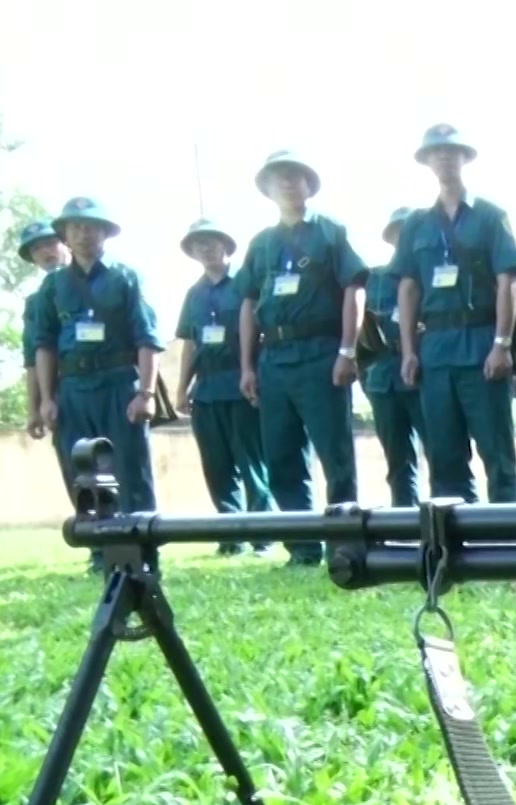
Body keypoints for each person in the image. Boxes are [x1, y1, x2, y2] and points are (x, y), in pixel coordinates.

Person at [235, 150, 366, 567]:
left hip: (321, 354)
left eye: (296, 177)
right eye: (279, 179)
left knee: (334, 453)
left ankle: (344, 542)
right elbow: (247, 304)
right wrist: (247, 366)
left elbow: (354, 290)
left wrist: (348, 349)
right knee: (282, 455)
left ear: (309, 185)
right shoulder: (261, 244)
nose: (289, 184)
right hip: (274, 358)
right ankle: (303, 547)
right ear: (268, 190)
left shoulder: (330, 233)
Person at [29, 197, 165, 571]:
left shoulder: (126, 277)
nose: (83, 235)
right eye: (74, 228)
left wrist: (146, 393)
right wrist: (46, 399)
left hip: (118, 382)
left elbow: (146, 338)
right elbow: (43, 345)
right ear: (65, 237)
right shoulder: (53, 287)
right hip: (72, 388)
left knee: (129, 467)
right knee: (82, 471)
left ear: (105, 233)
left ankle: (143, 548)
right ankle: (99, 550)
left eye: (90, 227)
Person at [394, 123, 516, 505]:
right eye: (437, 152)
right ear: (427, 162)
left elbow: (508, 281)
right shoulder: (416, 224)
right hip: (435, 349)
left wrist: (502, 344)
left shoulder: (491, 216)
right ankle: (456, 546)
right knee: (445, 454)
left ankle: (507, 541)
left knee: (496, 451)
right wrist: (408, 352)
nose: (445, 158)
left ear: (465, 158)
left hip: (482, 341)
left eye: (452, 152)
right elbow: (408, 289)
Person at [175, 217, 274, 553]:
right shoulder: (193, 294)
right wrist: (181, 387)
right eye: (198, 244)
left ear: (226, 246)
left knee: (252, 462)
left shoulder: (244, 284)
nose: (206, 249)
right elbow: (190, 342)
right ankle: (231, 537)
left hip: (241, 383)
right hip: (206, 390)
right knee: (216, 465)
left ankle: (263, 535)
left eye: (212, 241)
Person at [362, 207, 430, 507]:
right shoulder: (373, 278)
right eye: (398, 232)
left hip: (424, 376)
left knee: (442, 454)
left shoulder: (431, 276)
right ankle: (406, 522)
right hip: (382, 380)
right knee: (397, 461)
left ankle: (445, 526)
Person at [16, 220, 70, 489]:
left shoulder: (101, 280)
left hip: (107, 383)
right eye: (37, 248)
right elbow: (32, 359)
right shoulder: (35, 302)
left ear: (65, 243)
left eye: (50, 243)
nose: (46, 252)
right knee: (77, 470)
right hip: (63, 393)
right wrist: (35, 407)